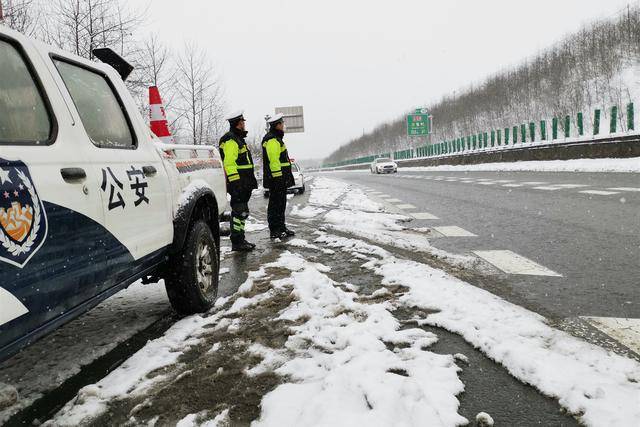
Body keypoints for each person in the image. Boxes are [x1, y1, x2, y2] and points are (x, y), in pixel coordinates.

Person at [219, 110, 258, 251]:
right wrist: (235, 184)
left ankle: (240, 239)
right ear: (237, 123)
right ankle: (237, 241)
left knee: (242, 213)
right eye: (242, 122)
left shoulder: (238, 138)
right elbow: (229, 163)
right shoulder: (231, 139)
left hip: (244, 182)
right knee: (238, 212)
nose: (244, 124)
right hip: (239, 183)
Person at [262, 113, 295, 239]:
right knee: (275, 205)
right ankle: (275, 230)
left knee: (281, 204)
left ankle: (281, 227)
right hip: (277, 179)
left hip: (280, 178)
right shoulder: (272, 139)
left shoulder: (277, 138)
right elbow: (274, 160)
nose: (284, 126)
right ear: (278, 125)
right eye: (282, 123)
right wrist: (278, 178)